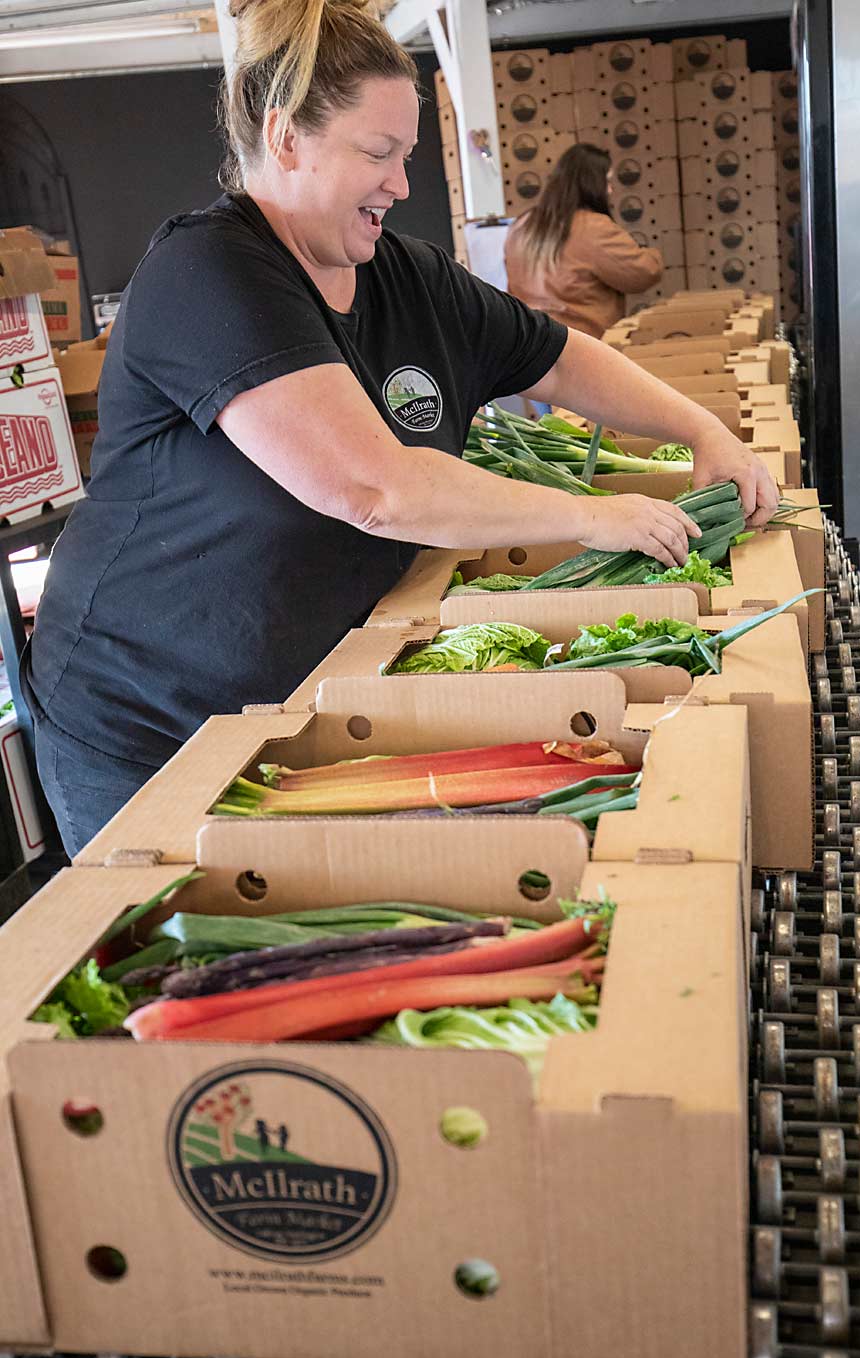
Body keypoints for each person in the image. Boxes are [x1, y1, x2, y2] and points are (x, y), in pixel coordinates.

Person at [23, 0, 779, 859]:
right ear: (287, 139)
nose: (402, 184)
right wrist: (591, 515)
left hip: (296, 696)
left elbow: (559, 358)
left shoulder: (406, 275)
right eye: (377, 154)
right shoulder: (209, 274)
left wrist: (701, 431)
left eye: (407, 155)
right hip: (148, 715)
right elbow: (373, 488)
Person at [504, 143, 664, 339]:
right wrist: (652, 254)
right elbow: (643, 272)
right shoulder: (593, 228)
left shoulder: (522, 225)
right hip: (581, 347)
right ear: (591, 183)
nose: (611, 190)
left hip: (531, 347)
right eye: (607, 181)